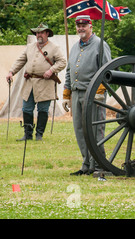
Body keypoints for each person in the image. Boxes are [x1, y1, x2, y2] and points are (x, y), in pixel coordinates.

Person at [63, 15, 111, 176]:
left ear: (91, 26)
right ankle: (86, 164)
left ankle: (97, 164)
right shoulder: (75, 47)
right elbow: (69, 71)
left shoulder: (100, 45)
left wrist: (100, 92)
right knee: (80, 129)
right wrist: (66, 93)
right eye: (78, 26)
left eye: (84, 25)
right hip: (77, 94)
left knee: (95, 130)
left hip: (93, 94)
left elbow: (107, 71)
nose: (81, 28)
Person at [7, 23, 66, 141]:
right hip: (29, 83)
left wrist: (51, 70)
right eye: (37, 33)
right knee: (27, 109)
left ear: (47, 33)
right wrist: (11, 72)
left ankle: (39, 135)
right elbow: (20, 60)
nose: (39, 35)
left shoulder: (54, 48)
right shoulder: (30, 47)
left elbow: (62, 62)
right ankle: (27, 134)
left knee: (43, 110)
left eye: (41, 32)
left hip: (45, 83)